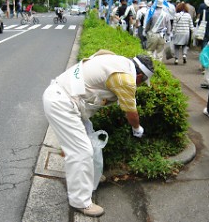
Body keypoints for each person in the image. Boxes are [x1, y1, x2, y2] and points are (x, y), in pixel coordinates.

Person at [42, 50, 154, 217]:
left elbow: (100, 53)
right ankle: (80, 202)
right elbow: (131, 114)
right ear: (139, 77)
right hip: (63, 104)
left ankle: (91, 179)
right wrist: (138, 130)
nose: (139, 86)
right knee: (81, 151)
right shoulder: (126, 79)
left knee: (90, 143)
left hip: (63, 96)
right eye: (142, 83)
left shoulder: (118, 60)